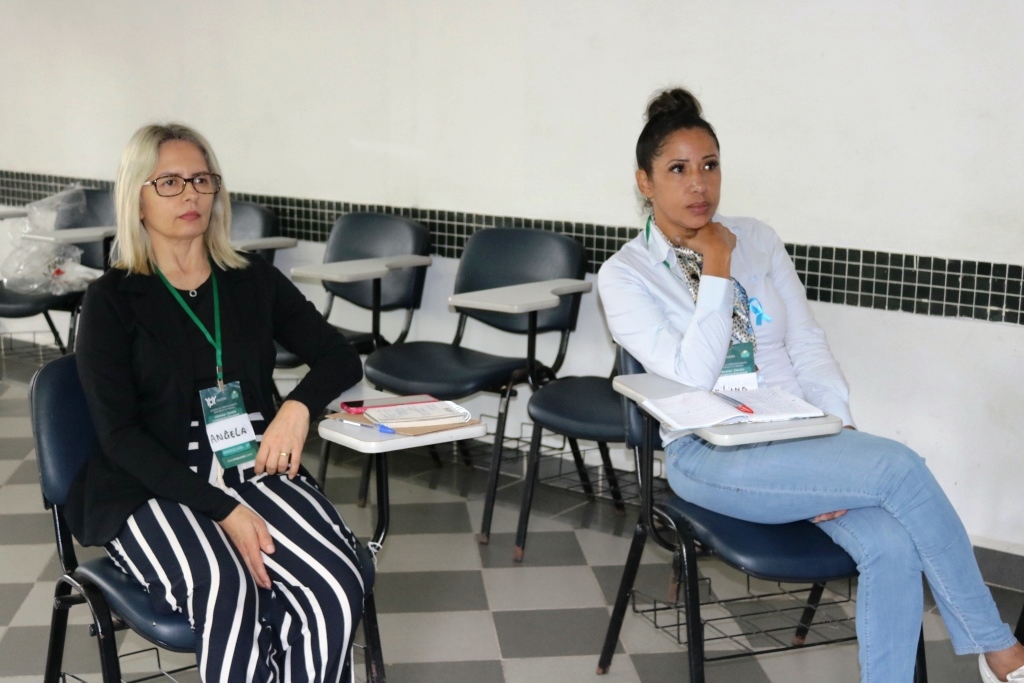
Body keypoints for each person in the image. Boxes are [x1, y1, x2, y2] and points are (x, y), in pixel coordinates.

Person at [598, 88, 1024, 683]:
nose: (699, 184)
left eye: (710, 166)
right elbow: (692, 374)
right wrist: (717, 267)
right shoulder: (625, 275)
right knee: (900, 469)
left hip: (799, 434)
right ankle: (1001, 653)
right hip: (710, 452)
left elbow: (806, 344)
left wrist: (836, 435)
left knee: (892, 544)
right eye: (678, 169)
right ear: (644, 182)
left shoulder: (759, 239)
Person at [67, 123, 368, 682]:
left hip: (249, 463)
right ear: (136, 198)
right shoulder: (112, 299)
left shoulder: (250, 279)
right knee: (228, 589)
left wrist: (297, 408)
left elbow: (339, 358)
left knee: (335, 581)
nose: (191, 194)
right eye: (170, 182)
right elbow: (119, 436)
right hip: (150, 482)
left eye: (202, 180)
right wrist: (224, 511)